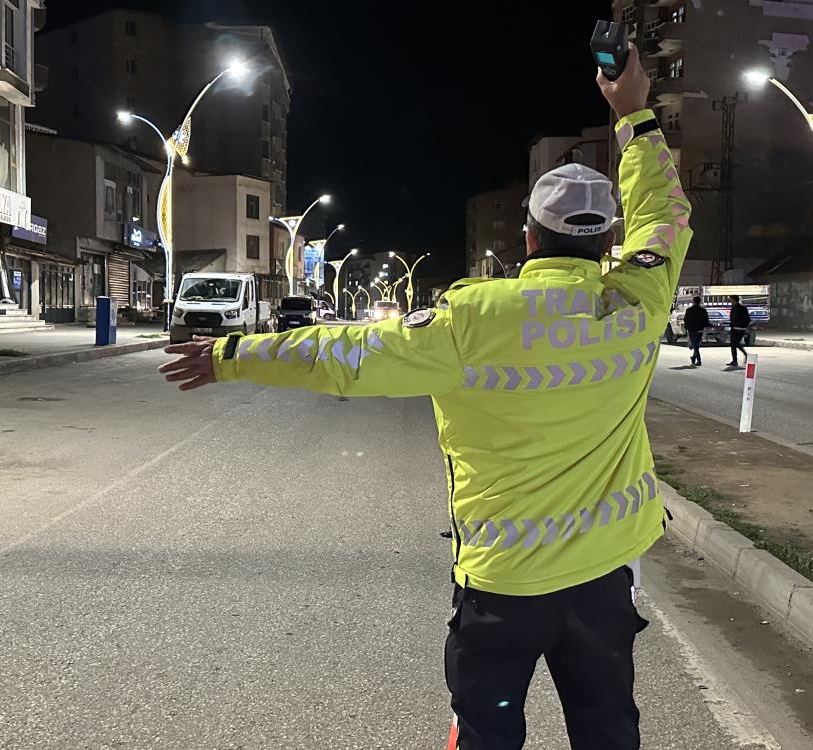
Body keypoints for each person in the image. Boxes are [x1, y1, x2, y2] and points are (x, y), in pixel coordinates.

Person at [159, 44, 690, 750]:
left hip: (502, 590)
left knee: (487, 734)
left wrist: (231, 353)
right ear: (608, 242)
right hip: (602, 584)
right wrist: (635, 117)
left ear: (529, 237)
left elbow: (340, 357)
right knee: (607, 730)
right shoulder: (640, 299)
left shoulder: (471, 320)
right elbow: (666, 211)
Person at [683, 296, 709, 366]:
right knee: (696, 344)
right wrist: (704, 326)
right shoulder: (703, 310)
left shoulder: (689, 310)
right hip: (700, 330)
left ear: (693, 301)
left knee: (695, 345)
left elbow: (686, 320)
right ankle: (694, 358)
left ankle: (699, 360)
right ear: (700, 301)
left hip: (692, 330)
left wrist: (686, 327)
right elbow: (706, 320)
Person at [727, 294, 751, 367]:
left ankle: (743, 356)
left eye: (730, 299)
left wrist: (744, 326)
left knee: (735, 344)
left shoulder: (741, 308)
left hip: (740, 329)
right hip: (735, 328)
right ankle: (735, 360)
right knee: (733, 344)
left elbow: (747, 318)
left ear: (734, 300)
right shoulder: (734, 308)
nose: (730, 301)